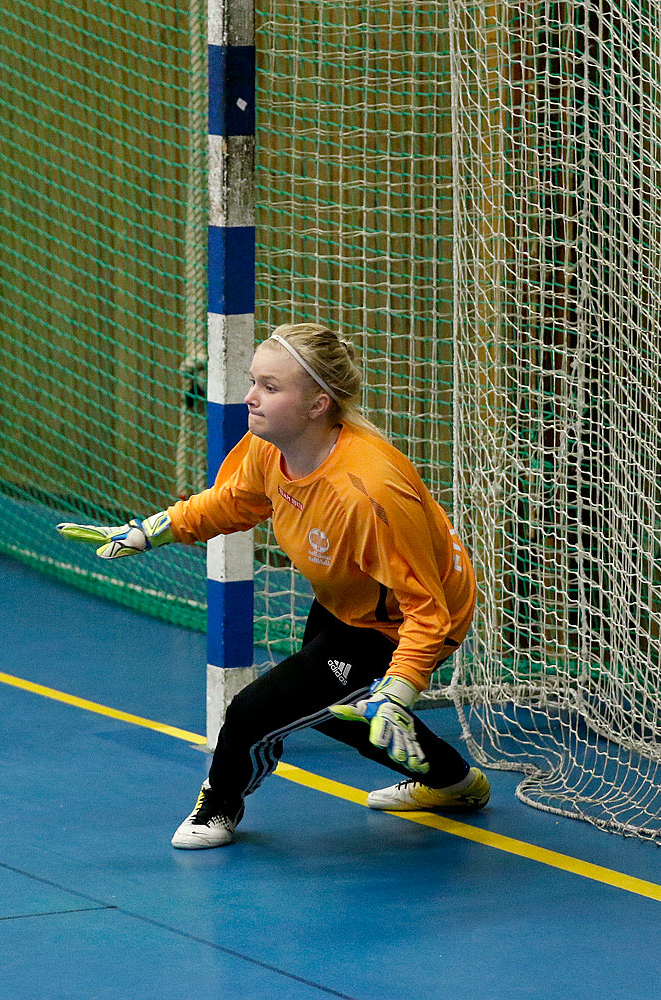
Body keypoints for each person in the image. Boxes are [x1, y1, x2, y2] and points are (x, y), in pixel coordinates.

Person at [57, 322, 489, 849]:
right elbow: (233, 502)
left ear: (317, 405)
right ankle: (453, 783)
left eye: (270, 387)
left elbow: (428, 609)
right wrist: (150, 531)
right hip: (349, 596)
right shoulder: (271, 447)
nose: (250, 398)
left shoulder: (367, 494)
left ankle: (219, 804)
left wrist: (400, 691)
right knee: (335, 710)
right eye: (253, 381)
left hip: (402, 620)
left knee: (256, 710)